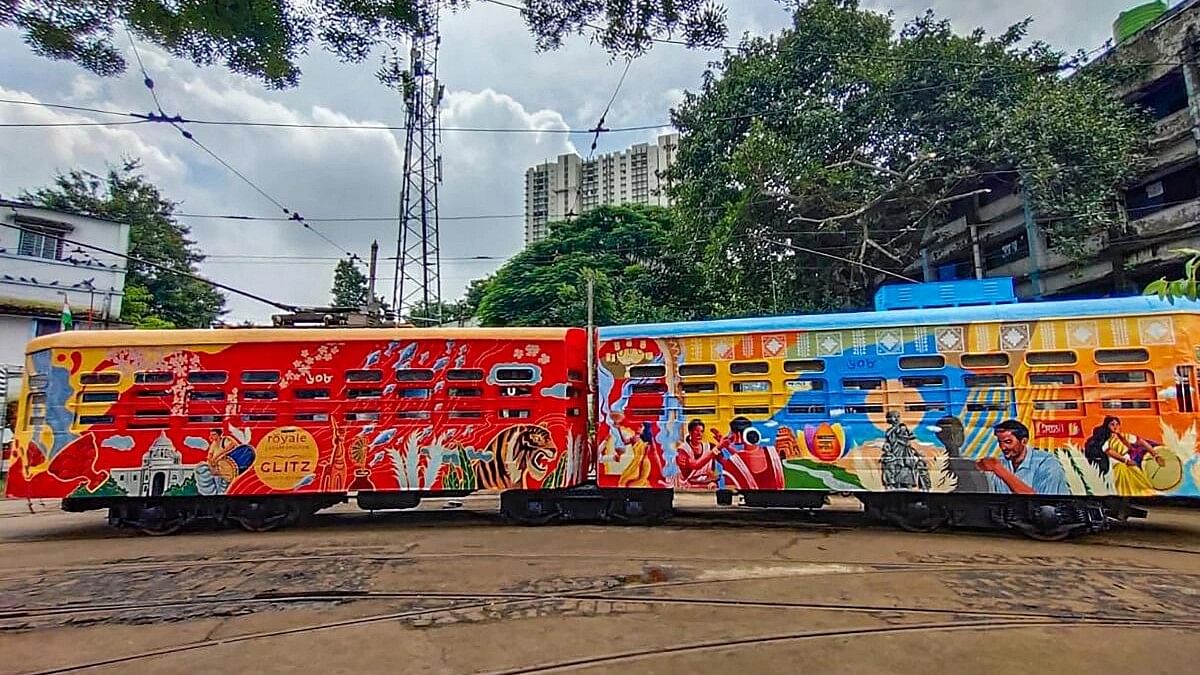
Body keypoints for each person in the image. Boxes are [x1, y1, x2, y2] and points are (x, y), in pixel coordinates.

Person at [976, 419, 1068, 496]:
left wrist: (999, 469)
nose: (1003, 447)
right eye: (1000, 442)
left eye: (1008, 442)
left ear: (1023, 441)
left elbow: (1042, 504)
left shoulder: (1047, 463)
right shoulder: (1002, 462)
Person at [1083, 416, 1165, 496]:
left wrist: (1155, 455)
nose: (1115, 427)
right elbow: (1109, 451)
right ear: (1107, 426)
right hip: (1116, 464)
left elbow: (1141, 442)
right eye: (1112, 424)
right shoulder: (1105, 438)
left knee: (1137, 474)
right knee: (1125, 474)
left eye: (1117, 424)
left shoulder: (1125, 436)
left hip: (1129, 462)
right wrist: (1125, 461)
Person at [713, 416, 784, 490]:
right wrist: (726, 446)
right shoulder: (772, 451)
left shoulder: (732, 462)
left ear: (738, 435)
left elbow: (738, 462)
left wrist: (718, 448)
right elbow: (743, 458)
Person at [880, 410, 930, 491]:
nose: (896, 419)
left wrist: (905, 438)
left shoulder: (903, 427)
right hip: (895, 450)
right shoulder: (890, 430)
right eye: (894, 417)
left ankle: (908, 485)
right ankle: (896, 485)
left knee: (906, 466)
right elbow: (888, 437)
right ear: (889, 419)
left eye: (898, 416)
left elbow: (913, 435)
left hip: (904, 450)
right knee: (896, 466)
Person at [675, 419, 719, 488]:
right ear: (690, 432)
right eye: (696, 431)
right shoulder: (683, 449)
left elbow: (725, 462)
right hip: (687, 487)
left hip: (707, 487)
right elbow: (694, 465)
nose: (699, 434)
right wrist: (712, 453)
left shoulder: (710, 447)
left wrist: (714, 480)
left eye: (701, 431)